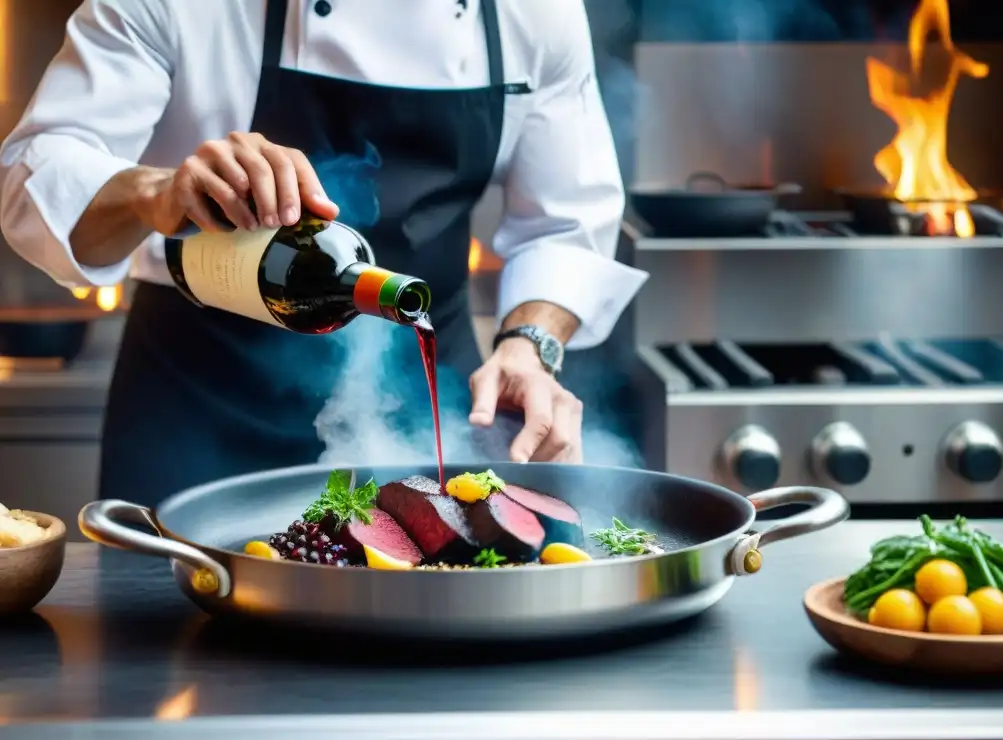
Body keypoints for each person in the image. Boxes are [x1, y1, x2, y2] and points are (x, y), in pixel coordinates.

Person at [0, 0, 648, 507]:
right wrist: (154, 190)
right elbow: (32, 178)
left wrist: (530, 346)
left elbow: (566, 223)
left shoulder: (533, 12)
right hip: (201, 405)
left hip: (424, 412)